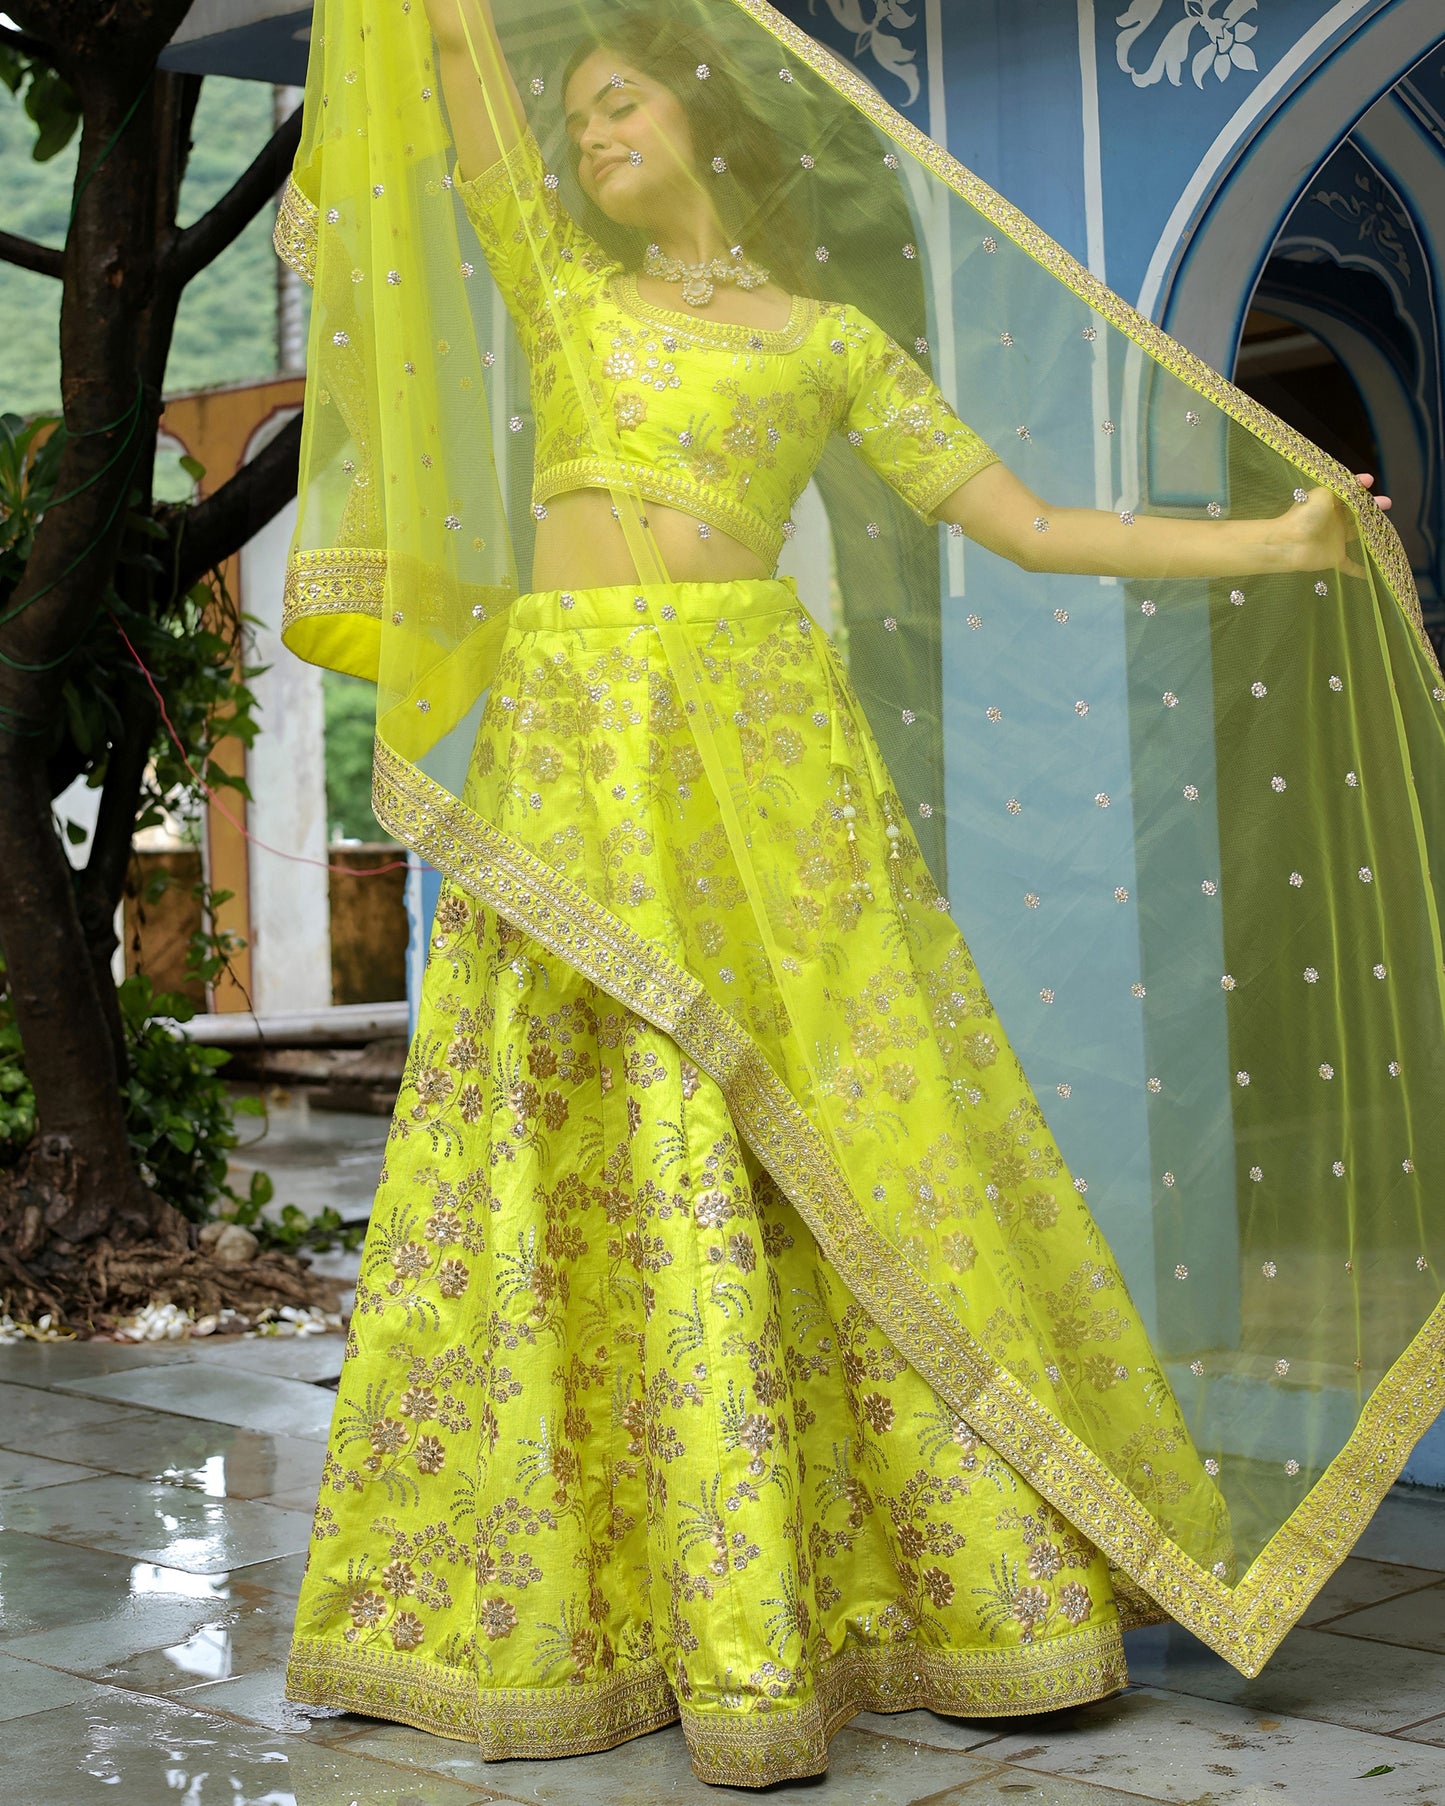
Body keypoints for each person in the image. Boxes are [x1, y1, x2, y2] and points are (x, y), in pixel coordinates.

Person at [274, 0, 1437, 1789]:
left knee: (856, 1131)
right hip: (581, 732)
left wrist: (1271, 540)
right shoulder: (563, 301)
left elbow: (1034, 525)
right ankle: (559, 1601)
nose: (587, 138)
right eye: (572, 117)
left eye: (617, 104)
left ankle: (937, 1590)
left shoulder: (826, 340)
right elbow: (457, 94)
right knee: (566, 1129)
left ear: (705, 123)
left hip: (758, 731)